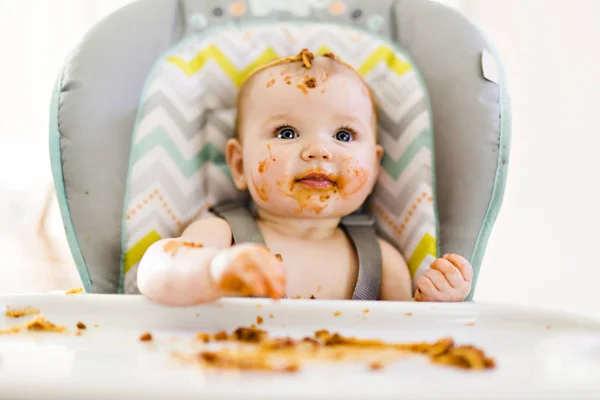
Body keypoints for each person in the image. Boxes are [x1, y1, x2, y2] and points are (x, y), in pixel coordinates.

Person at [137, 49, 473, 306]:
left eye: (343, 135)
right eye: (285, 133)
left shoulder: (383, 262)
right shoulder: (222, 236)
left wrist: (435, 303)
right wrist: (213, 271)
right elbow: (153, 273)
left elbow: (406, 340)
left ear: (374, 167)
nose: (318, 150)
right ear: (239, 165)